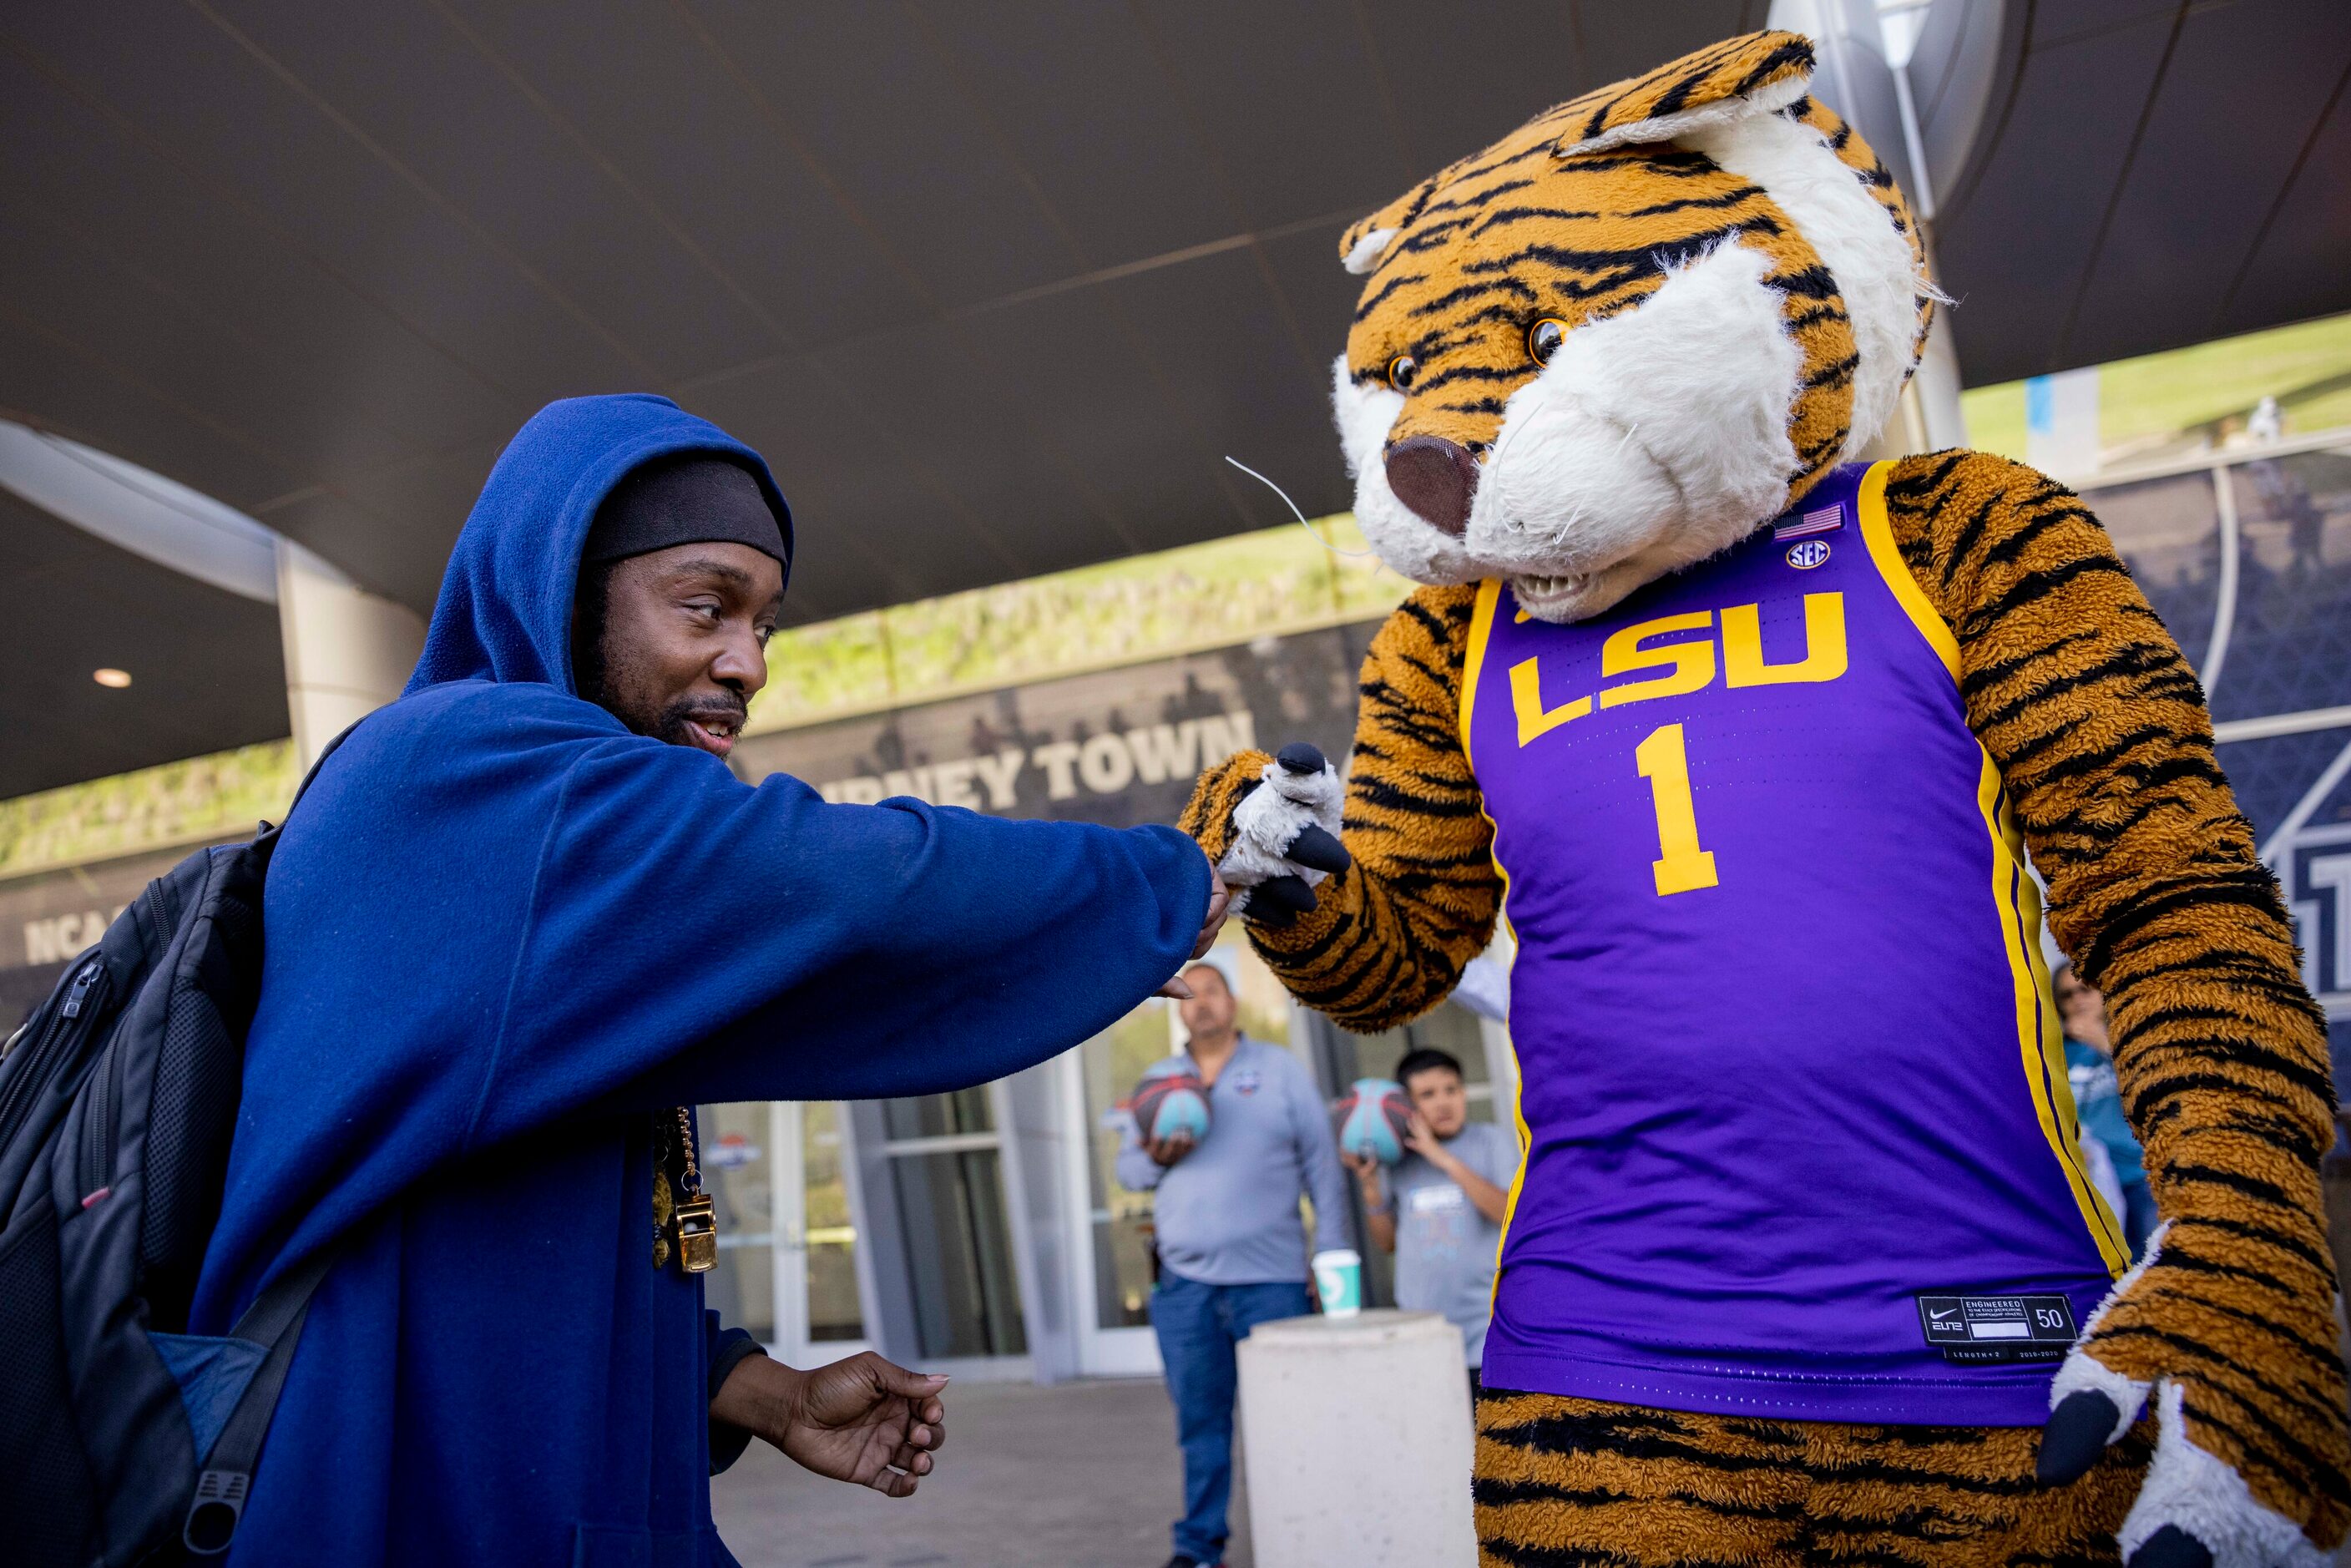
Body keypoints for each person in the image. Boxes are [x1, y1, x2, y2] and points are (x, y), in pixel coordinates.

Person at [185, 394, 1226, 1566]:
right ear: (563, 584)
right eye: (705, 605)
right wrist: (1175, 879)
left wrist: (751, 1386)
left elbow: (514, 1231)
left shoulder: (550, 833)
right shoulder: (469, 772)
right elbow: (856, 892)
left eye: (766, 623)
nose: (747, 663)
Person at [1115, 951, 1347, 1568]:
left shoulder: (1280, 1071)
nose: (1203, 1001)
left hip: (1271, 1285)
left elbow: (1324, 1171)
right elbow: (1129, 1169)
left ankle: (1307, 1540)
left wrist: (1331, 1258)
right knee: (1201, 1428)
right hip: (1186, 1287)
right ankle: (1199, 1547)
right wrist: (1160, 1156)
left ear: (1233, 1003)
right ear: (1179, 1008)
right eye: (1191, 992)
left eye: (1214, 990)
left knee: (1291, 1424)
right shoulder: (1159, 1082)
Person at [1344, 1048, 1516, 1391]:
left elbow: (1506, 1214)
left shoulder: (1491, 1141)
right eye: (1428, 1094)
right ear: (1408, 1106)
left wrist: (1444, 1160)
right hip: (1424, 1330)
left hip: (1488, 1330)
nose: (1444, 1103)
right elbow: (1387, 1242)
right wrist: (1370, 1187)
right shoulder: (1398, 1161)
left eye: (1451, 1090)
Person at [2053, 960, 2156, 1259]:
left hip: (2140, 1173)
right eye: (2067, 995)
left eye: (2085, 990)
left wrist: (2101, 1040)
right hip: (2089, 1180)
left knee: (2153, 1260)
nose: (2077, 1000)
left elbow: (2148, 1083)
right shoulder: (2057, 1052)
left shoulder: (2131, 1036)